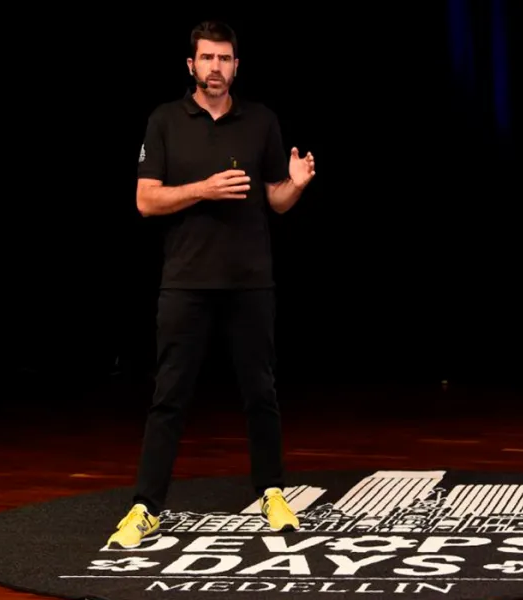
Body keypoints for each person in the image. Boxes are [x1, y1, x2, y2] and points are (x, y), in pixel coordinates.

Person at [107, 20, 315, 549]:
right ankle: (145, 506)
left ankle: (272, 492)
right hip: (186, 281)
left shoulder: (261, 121)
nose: (215, 67)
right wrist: (204, 188)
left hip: (250, 282)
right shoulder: (164, 121)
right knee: (169, 396)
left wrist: (295, 185)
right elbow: (145, 200)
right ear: (191, 65)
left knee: (261, 393)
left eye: (224, 58)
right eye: (207, 58)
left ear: (236, 66)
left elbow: (275, 200)